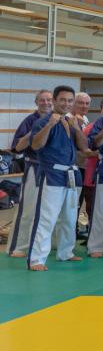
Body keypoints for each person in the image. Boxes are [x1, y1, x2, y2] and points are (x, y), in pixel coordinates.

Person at [27, 85, 89, 271]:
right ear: (54, 100)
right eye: (62, 100)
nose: (66, 103)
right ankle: (36, 259)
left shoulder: (71, 122)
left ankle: (66, 252)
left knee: (70, 218)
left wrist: (77, 128)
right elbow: (36, 145)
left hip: (71, 175)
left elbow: (84, 148)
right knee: (47, 218)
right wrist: (50, 125)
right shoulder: (43, 121)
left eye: (70, 101)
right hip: (51, 175)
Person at [7, 89, 53, 259]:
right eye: (42, 100)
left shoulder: (59, 119)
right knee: (28, 209)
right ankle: (18, 246)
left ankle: (48, 243)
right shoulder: (30, 121)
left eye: (49, 100)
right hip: (35, 167)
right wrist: (32, 132)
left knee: (50, 210)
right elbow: (17, 147)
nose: (46, 103)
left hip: (54, 170)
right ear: (36, 102)